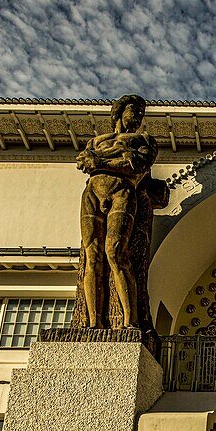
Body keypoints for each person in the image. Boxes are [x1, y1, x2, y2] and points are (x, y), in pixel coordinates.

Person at [75, 94, 159, 329]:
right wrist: (119, 156)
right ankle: (93, 323)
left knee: (115, 252)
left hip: (122, 191)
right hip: (92, 193)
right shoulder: (96, 141)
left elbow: (137, 166)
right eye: (134, 111)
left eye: (141, 114)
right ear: (120, 113)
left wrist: (99, 162)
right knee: (92, 256)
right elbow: (83, 162)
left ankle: (129, 320)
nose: (138, 117)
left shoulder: (144, 139)